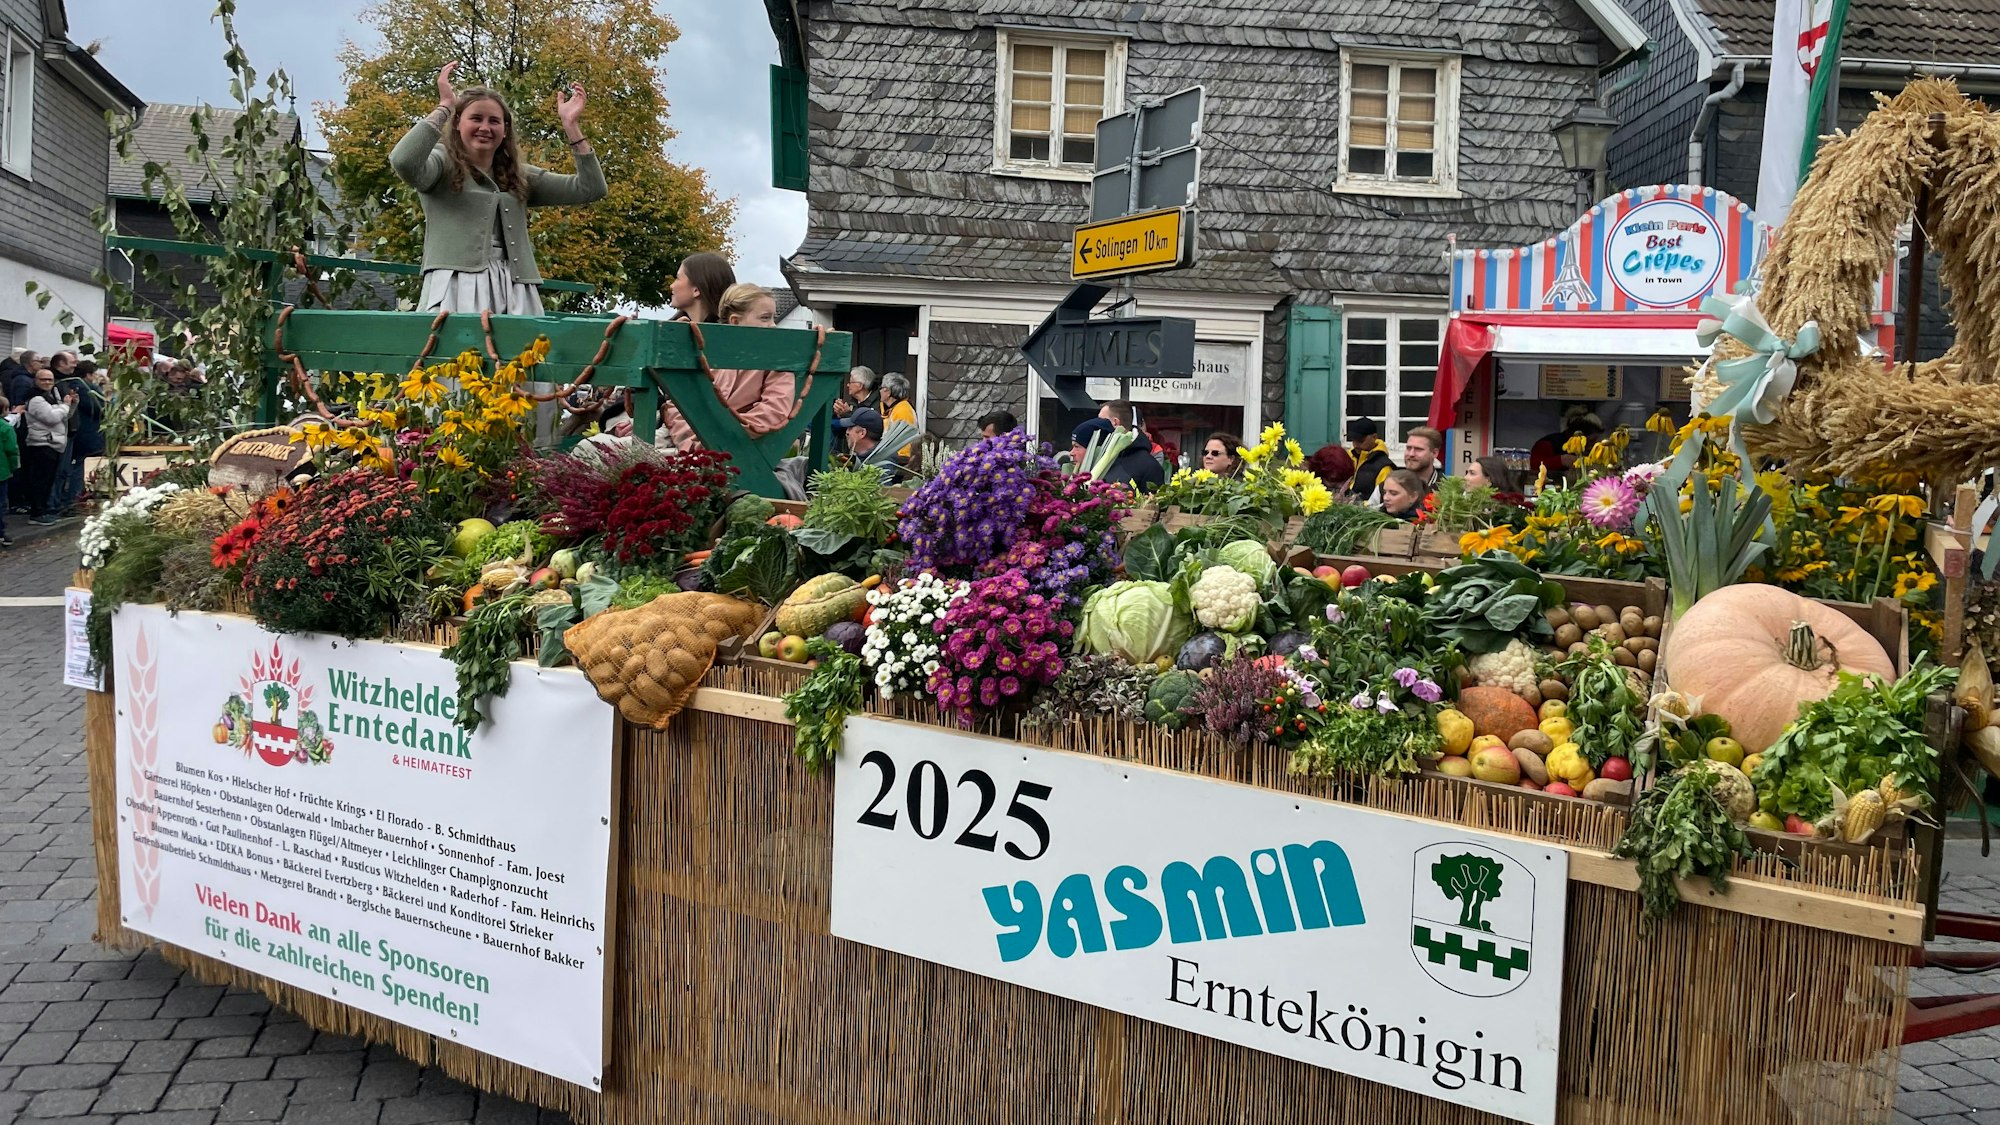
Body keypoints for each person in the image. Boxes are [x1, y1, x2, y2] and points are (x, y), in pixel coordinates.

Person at [390, 62, 605, 316]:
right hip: (455, 284)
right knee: (458, 342)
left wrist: (571, 126)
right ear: (458, 123)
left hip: (516, 288)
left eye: (494, 121)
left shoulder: (519, 175)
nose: (485, 127)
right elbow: (403, 160)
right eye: (476, 118)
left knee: (522, 343)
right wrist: (445, 107)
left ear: (505, 131)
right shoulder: (440, 163)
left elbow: (591, 188)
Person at [663, 283, 797, 451]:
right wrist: (692, 444)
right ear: (735, 321)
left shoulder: (776, 361)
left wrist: (721, 438)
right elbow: (679, 405)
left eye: (773, 318)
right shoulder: (709, 355)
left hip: (745, 449)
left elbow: (774, 409)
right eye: (765, 318)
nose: (773, 325)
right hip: (699, 448)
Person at [18, 366, 73, 525]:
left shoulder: (50, 397)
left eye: (50, 379)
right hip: (41, 444)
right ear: (36, 381)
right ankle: (37, 513)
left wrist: (70, 405)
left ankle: (43, 510)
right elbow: (51, 418)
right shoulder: (36, 399)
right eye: (43, 379)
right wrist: (65, 405)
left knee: (48, 480)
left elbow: (64, 416)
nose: (47, 382)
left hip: (52, 443)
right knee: (40, 480)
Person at [53, 357, 104, 516]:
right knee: (78, 468)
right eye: (94, 374)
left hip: (80, 432)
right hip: (85, 433)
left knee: (75, 468)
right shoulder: (84, 387)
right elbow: (97, 407)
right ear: (88, 374)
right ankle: (72, 501)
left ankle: (72, 500)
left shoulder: (73, 385)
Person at [1071, 417, 1165, 491]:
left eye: (1077, 446)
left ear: (1095, 448)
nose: (1071, 453)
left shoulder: (1120, 477)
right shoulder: (1075, 474)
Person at [1530, 407, 1603, 484]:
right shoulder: (1547, 444)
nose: (1594, 445)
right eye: (1592, 441)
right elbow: (1532, 467)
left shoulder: (1593, 450)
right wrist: (1561, 460)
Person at [1344, 418, 1396, 503]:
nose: (1355, 444)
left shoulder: (1384, 467)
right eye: (1353, 440)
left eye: (1360, 440)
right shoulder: (1348, 457)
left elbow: (1383, 500)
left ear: (1374, 437)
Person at [878, 372, 919, 461]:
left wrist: (900, 460)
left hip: (900, 460)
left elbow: (904, 440)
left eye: (881, 388)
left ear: (888, 392)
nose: (880, 391)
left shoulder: (902, 410)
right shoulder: (894, 408)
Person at [0, 394, 16, 547]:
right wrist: (14, 466)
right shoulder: (5, 428)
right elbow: (11, 449)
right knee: (1, 503)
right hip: (2, 471)